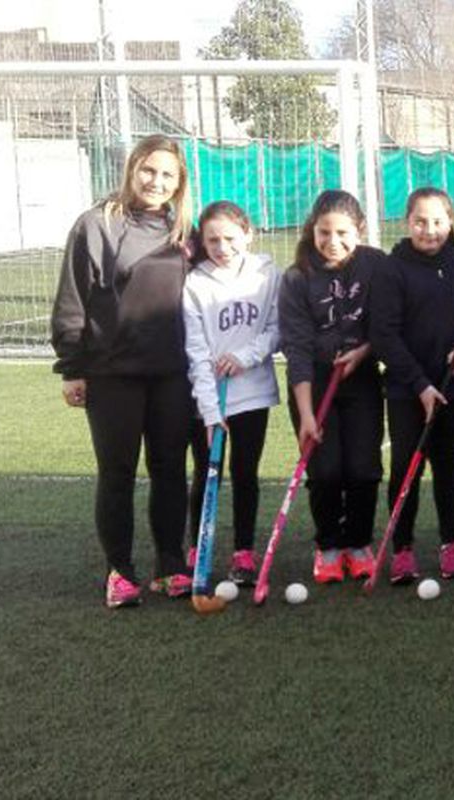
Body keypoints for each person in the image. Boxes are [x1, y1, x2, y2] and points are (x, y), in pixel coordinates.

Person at [51, 134, 194, 608]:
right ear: (132, 169)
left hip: (173, 373)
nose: (156, 181)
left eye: (167, 175)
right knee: (117, 473)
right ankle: (121, 571)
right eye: (149, 170)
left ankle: (171, 565)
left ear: (179, 184)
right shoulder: (96, 225)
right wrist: (72, 367)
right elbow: (73, 297)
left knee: (170, 469)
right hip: (112, 374)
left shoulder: (181, 234)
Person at [278, 190, 387, 584]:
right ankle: (328, 547)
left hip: (362, 380)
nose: (333, 242)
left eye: (343, 232)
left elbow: (386, 323)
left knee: (362, 469)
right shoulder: (296, 277)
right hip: (315, 382)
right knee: (324, 472)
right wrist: (306, 414)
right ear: (313, 230)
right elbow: (297, 349)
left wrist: (364, 351)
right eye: (324, 232)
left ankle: (358, 543)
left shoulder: (376, 265)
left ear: (359, 230)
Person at [370, 188, 454, 583]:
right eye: (420, 222)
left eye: (437, 222)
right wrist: (418, 385)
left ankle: (451, 544)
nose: (429, 230)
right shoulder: (391, 269)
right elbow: (383, 334)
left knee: (449, 464)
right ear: (406, 223)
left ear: (450, 222)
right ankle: (402, 549)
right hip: (405, 389)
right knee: (404, 467)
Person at [182, 200, 280, 588]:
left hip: (252, 393)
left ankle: (243, 552)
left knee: (245, 473)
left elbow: (276, 329)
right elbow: (196, 351)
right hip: (208, 396)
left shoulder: (267, 274)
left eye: (230, 238)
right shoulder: (194, 283)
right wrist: (208, 410)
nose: (222, 247)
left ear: (248, 235)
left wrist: (245, 356)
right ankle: (198, 547)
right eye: (212, 240)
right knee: (207, 474)